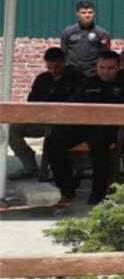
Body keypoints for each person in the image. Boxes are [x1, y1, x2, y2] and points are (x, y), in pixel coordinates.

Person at [46, 51, 124, 206]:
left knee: (97, 140)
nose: (106, 72)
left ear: (119, 67)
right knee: (53, 139)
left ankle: (98, 192)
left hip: (114, 130)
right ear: (96, 67)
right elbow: (73, 104)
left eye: (111, 68)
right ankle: (66, 188)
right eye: (102, 67)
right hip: (85, 126)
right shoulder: (89, 82)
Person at [8, 48, 82, 180]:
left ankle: (52, 170)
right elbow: (31, 101)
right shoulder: (42, 79)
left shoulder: (76, 79)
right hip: (42, 119)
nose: (53, 70)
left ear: (64, 62)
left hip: (66, 123)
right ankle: (29, 165)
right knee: (12, 128)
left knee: (53, 136)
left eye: (57, 67)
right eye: (50, 67)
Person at [60, 0, 111, 78]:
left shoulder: (102, 33)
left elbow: (106, 56)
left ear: (94, 13)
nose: (87, 15)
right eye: (83, 13)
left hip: (94, 74)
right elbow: (63, 53)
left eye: (90, 12)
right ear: (77, 14)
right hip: (72, 74)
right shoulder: (68, 32)